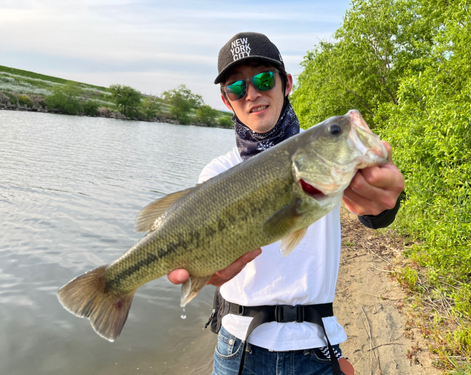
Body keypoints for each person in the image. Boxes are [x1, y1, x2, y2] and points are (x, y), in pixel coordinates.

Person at [168, 32, 405, 375]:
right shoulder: (217, 173)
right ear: (226, 101)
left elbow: (375, 210)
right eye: (237, 88)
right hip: (239, 349)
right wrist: (203, 270)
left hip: (317, 347)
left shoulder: (322, 151)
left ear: (286, 83)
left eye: (264, 78)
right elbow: (202, 251)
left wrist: (382, 204)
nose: (252, 93)